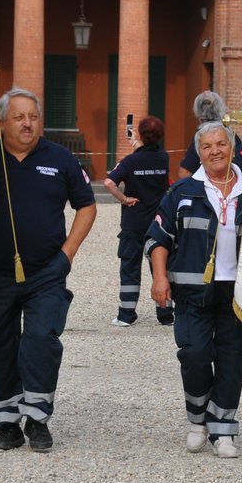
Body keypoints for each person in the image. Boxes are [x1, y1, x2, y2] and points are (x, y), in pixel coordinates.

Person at [0, 87, 97, 451]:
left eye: (33, 117)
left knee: (42, 339)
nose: (27, 124)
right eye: (19, 117)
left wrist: (68, 254)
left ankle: (38, 417)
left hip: (47, 271)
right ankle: (6, 422)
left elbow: (87, 206)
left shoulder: (61, 159)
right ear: (1, 122)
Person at [148, 120, 242, 459]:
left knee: (233, 358)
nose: (215, 151)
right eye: (207, 146)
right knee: (193, 355)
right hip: (192, 291)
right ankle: (197, 420)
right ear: (199, 153)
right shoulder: (182, 192)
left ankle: (223, 429)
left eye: (221, 144)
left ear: (233, 146)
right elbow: (158, 238)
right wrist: (159, 277)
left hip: (240, 291)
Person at [102, 115, 172, 327]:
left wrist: (124, 199)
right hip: (157, 224)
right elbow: (149, 155)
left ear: (140, 135)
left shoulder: (130, 162)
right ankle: (166, 314)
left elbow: (108, 182)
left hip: (133, 222)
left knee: (130, 266)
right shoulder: (164, 159)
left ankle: (126, 314)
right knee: (160, 268)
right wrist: (139, 143)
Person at [179, 90, 228, 177]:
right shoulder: (231, 135)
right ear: (221, 108)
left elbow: (184, 173)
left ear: (197, 112)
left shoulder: (201, 137)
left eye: (221, 144)